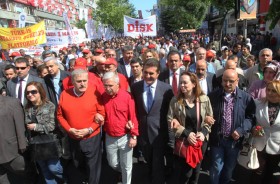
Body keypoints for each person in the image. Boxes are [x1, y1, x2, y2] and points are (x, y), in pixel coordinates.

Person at [57, 69, 105, 184]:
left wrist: (89, 129)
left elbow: (102, 114)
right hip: (73, 138)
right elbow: (60, 115)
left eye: (85, 80)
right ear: (72, 82)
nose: (83, 84)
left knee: (93, 166)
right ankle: (86, 179)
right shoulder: (65, 94)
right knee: (78, 163)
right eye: (79, 81)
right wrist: (69, 130)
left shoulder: (94, 92)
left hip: (91, 137)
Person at [208, 69, 256, 184]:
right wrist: (207, 118)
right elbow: (205, 112)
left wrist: (241, 130)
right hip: (218, 140)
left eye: (231, 81)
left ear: (237, 81)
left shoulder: (246, 98)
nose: (227, 84)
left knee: (229, 169)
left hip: (234, 142)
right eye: (225, 81)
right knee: (216, 168)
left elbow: (250, 117)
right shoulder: (213, 96)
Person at [131, 58, 174, 184]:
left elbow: (170, 111)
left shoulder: (166, 88)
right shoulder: (135, 87)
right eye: (145, 72)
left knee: (158, 164)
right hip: (143, 132)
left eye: (151, 73)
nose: (148, 76)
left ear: (158, 73)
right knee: (148, 162)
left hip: (160, 133)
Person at [167, 71, 214, 183]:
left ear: (194, 84)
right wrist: (187, 133)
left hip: (200, 142)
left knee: (196, 172)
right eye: (180, 83)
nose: (181, 85)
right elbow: (170, 120)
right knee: (185, 173)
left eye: (185, 83)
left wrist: (203, 132)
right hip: (184, 141)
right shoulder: (176, 101)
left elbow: (210, 118)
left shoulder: (204, 99)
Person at [102, 72, 139, 184]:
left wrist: (134, 136)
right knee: (112, 163)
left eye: (110, 85)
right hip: (110, 137)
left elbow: (133, 117)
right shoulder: (103, 97)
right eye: (105, 85)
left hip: (125, 136)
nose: (107, 88)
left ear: (117, 84)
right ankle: (120, 172)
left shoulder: (127, 97)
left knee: (127, 166)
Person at [24, 81, 64, 184]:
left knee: (54, 168)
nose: (30, 94)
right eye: (27, 92)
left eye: (33, 92)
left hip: (49, 141)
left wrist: (36, 126)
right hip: (35, 143)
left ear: (40, 92)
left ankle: (64, 180)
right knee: (44, 170)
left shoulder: (49, 106)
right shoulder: (27, 108)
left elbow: (52, 126)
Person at [251, 80, 280, 184]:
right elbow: (250, 119)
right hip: (259, 143)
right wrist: (252, 128)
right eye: (268, 90)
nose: (270, 93)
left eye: (274, 91)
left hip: (277, 146)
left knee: (269, 173)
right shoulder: (258, 103)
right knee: (256, 171)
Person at [0, 95, 32, 183]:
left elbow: (20, 125)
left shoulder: (12, 102)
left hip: (12, 151)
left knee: (25, 175)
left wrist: (23, 146)